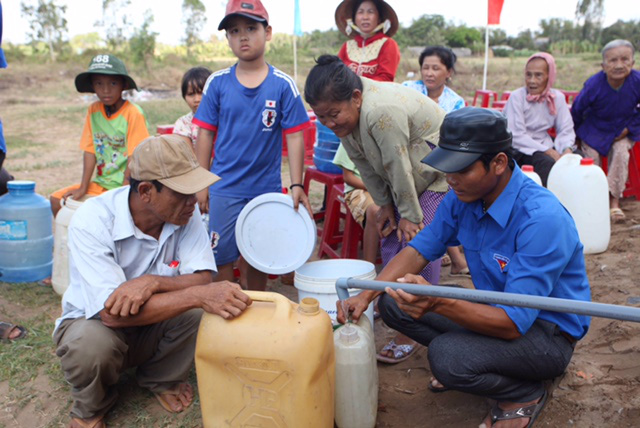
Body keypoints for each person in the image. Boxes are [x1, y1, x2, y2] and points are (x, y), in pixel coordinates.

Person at [337, 107, 590, 427]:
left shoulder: (541, 219)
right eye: (447, 168)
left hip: (546, 333)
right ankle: (484, 363)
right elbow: (418, 250)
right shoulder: (463, 197)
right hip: (500, 308)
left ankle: (523, 391)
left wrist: (438, 302)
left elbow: (514, 323)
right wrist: (364, 296)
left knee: (447, 358)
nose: (450, 179)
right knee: (393, 299)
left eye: (461, 169)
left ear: (498, 163)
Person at [53, 134, 252, 428]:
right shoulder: (92, 220)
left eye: (194, 191)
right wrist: (197, 295)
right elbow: (110, 314)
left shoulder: (185, 212)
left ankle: (160, 377)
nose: (193, 201)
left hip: (150, 323)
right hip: (94, 322)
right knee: (91, 345)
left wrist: (152, 282)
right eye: (183, 193)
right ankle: (91, 406)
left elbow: (202, 277)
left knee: (202, 310)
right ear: (146, 190)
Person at [305, 55, 448, 364]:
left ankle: (414, 326)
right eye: (321, 117)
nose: (329, 124)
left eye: (333, 114)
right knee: (391, 237)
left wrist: (410, 215)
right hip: (406, 178)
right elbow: (365, 165)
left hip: (437, 172)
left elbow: (397, 164)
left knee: (419, 242)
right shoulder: (350, 117)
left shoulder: (380, 111)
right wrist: (384, 204)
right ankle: (393, 304)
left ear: (355, 98)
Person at [193, 0, 313, 292]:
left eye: (250, 28)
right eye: (234, 31)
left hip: (265, 188)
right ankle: (224, 309)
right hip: (224, 187)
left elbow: (295, 136)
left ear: (267, 32)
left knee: (259, 254)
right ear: (227, 38)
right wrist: (201, 183)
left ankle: (257, 308)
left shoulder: (283, 85)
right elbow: (205, 134)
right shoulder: (217, 83)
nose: (242, 36)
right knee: (221, 257)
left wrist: (296, 184)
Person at [49, 54, 150, 216]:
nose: (105, 90)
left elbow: (135, 157)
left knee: (103, 215)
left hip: (127, 185)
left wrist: (124, 191)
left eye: (113, 83)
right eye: (99, 83)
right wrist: (83, 187)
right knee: (57, 201)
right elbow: (90, 151)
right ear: (92, 85)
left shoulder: (133, 113)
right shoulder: (94, 111)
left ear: (123, 85)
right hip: (101, 184)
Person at [403, 45, 469, 278]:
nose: (429, 73)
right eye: (425, 68)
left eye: (435, 68)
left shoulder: (455, 102)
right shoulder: (408, 89)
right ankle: (455, 259)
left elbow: (454, 138)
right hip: (410, 161)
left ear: (448, 72)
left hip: (440, 162)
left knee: (444, 193)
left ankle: (445, 257)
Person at [571, 39, 640, 223]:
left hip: (624, 129)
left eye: (625, 60)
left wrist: (629, 128)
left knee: (620, 153)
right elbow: (577, 110)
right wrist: (577, 136)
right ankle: (594, 200)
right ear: (603, 65)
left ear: (633, 63)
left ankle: (614, 202)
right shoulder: (594, 84)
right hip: (595, 129)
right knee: (590, 158)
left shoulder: (637, 81)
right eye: (613, 60)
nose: (619, 65)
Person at [503, 52, 576, 187]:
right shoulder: (517, 97)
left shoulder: (556, 98)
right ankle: (547, 201)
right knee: (546, 163)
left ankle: (570, 200)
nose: (532, 80)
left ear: (549, 76)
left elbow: (566, 129)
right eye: (528, 74)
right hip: (520, 149)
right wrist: (548, 151)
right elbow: (517, 135)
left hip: (544, 143)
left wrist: (566, 150)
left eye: (538, 75)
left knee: (575, 159)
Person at [332, 143, 380, 265]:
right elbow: (348, 177)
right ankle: (369, 267)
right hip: (359, 188)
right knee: (375, 211)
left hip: (385, 188)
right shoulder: (349, 137)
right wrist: (376, 188)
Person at [335, 0, 400, 82]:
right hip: (347, 93)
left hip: (377, 93)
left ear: (379, 18)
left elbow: (386, 78)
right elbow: (336, 74)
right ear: (354, 18)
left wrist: (357, 86)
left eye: (370, 12)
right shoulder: (347, 46)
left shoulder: (388, 44)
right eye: (360, 12)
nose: (365, 17)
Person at [173, 66, 212, 148]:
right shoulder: (183, 124)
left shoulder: (227, 118)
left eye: (201, 93)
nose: (197, 99)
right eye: (191, 94)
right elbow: (189, 157)